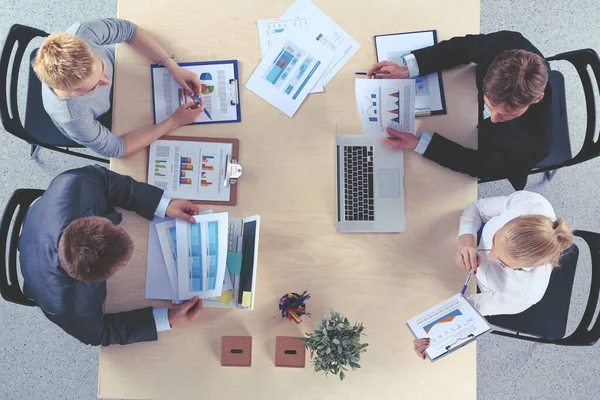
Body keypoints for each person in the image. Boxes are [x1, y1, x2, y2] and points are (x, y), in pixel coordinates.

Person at [19, 165, 203, 346]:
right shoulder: (68, 309)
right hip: (36, 261)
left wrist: (162, 205)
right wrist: (166, 318)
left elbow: (105, 179)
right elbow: (100, 334)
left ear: (94, 220)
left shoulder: (76, 183)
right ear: (95, 280)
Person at [368, 31, 553, 190]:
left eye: (507, 114)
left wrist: (420, 145)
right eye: (491, 107)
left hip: (499, 149)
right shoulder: (505, 44)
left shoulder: (536, 145)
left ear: (537, 99)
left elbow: (477, 165)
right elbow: (460, 48)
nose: (495, 119)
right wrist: (407, 69)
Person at [413, 191, 573, 359]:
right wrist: (465, 244)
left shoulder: (523, 295)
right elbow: (476, 208)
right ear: (518, 218)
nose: (489, 255)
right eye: (495, 238)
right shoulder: (533, 203)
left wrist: (427, 335)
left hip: (479, 287)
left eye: (503, 263)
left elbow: (471, 308)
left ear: (533, 265)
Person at [33, 18, 204, 158]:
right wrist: (173, 121)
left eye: (102, 67)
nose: (107, 81)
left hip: (128, 78)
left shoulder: (83, 32)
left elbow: (129, 31)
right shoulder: (74, 118)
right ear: (76, 92)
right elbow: (116, 149)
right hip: (107, 117)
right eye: (95, 86)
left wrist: (172, 66)